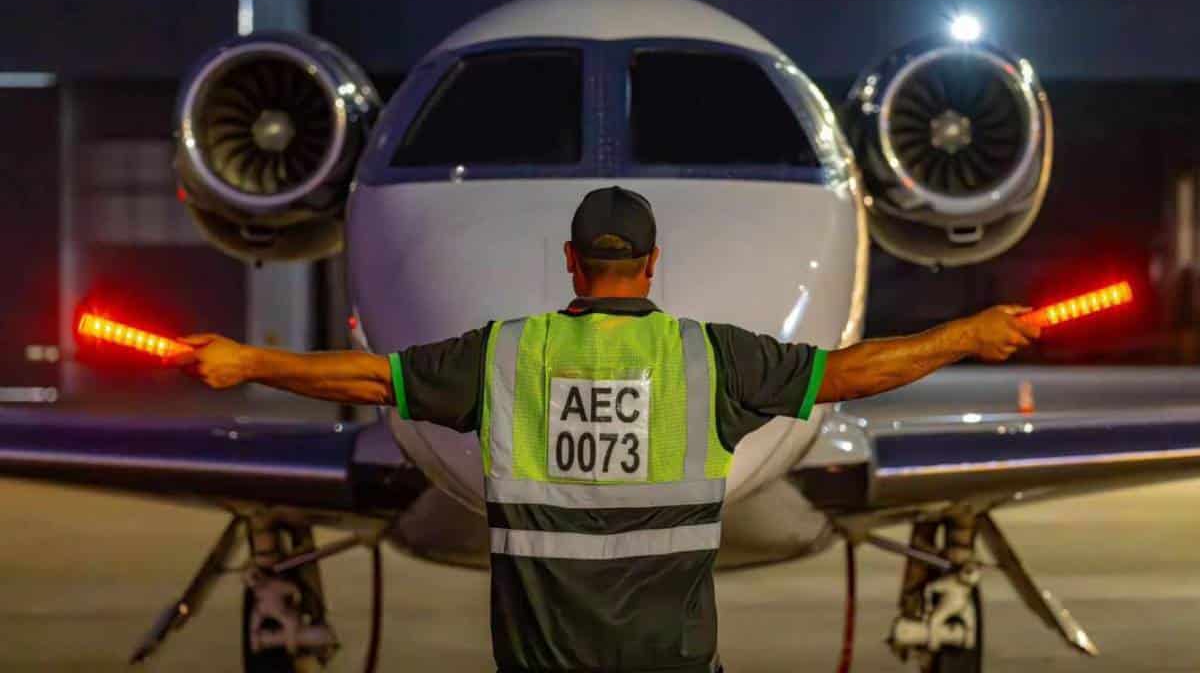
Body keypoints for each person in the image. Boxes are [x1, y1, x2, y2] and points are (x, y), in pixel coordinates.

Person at [175, 185, 1040, 673]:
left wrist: (251, 362)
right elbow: (850, 373)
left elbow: (372, 375)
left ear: (571, 262)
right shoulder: (711, 359)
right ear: (654, 263)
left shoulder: (509, 357)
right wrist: (968, 334)